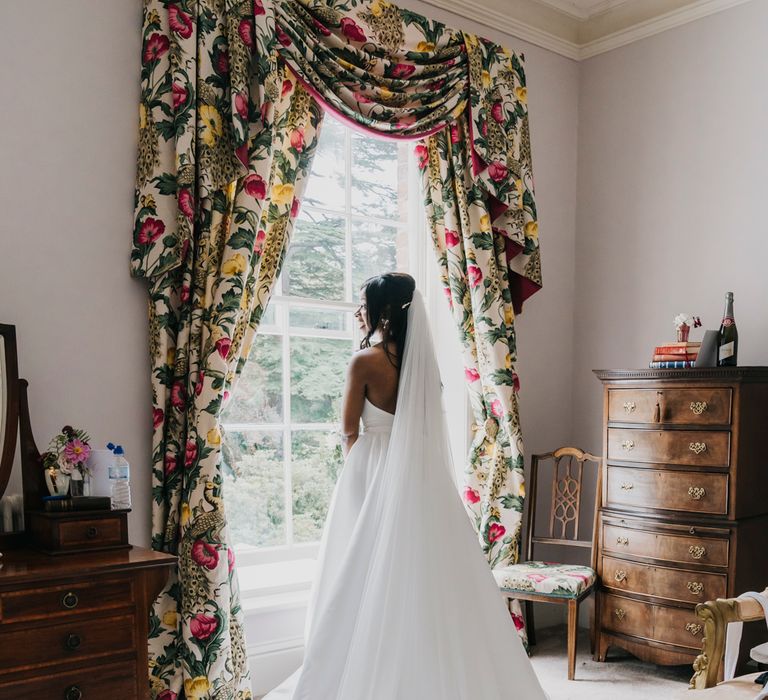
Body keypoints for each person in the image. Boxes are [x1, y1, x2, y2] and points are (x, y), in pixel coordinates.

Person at [265, 272, 547, 699]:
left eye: (363, 304)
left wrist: (357, 478)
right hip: (420, 474)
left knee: (358, 569)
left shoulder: (363, 362)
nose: (358, 312)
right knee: (425, 574)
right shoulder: (424, 366)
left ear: (382, 311)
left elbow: (348, 431)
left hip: (370, 466)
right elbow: (425, 431)